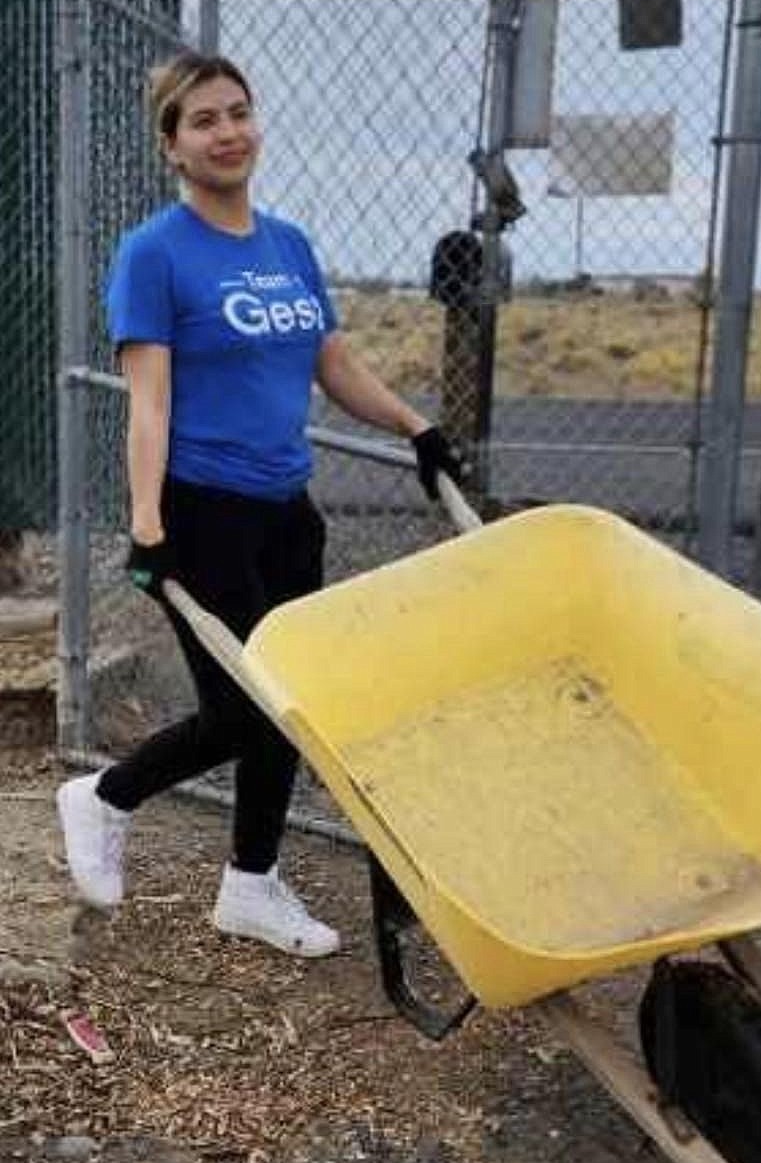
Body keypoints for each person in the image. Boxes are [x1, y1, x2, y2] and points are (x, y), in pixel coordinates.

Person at [57, 51, 463, 957]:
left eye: (238, 112)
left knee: (298, 701)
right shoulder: (153, 254)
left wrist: (415, 429)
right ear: (173, 144)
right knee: (252, 710)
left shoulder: (288, 246)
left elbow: (332, 364)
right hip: (200, 515)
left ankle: (250, 886)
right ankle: (106, 795)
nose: (228, 132)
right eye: (203, 120)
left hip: (286, 510)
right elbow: (149, 404)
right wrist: (148, 527)